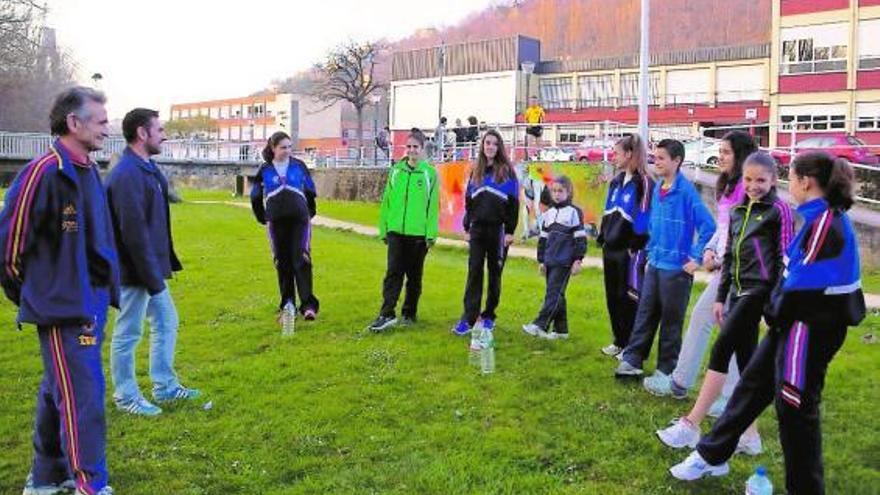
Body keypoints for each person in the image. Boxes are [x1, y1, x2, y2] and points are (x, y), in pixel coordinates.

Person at [671, 152, 866, 495]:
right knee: (752, 386)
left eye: (791, 177)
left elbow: (796, 282)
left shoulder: (825, 224)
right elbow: (795, 276)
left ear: (805, 181)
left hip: (808, 329)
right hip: (792, 323)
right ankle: (711, 456)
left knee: (794, 406)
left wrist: (773, 311)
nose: (791, 185)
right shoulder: (818, 218)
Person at [0, 86, 118, 495]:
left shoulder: (89, 170)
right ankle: (90, 485)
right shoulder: (43, 172)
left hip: (91, 303)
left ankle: (48, 476)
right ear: (74, 122)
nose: (108, 128)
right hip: (62, 309)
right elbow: (9, 248)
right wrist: (38, 295)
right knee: (84, 395)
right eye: (101, 121)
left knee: (60, 386)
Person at [656, 151, 793, 456]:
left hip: (759, 292)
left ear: (773, 180)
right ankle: (750, 435)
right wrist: (720, 298)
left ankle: (690, 425)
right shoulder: (737, 212)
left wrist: (775, 301)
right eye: (748, 179)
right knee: (746, 363)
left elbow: (786, 257)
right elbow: (729, 258)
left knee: (721, 349)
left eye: (761, 180)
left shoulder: (779, 210)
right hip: (736, 292)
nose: (754, 185)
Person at [645, 131, 755, 408]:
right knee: (705, 319)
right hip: (725, 268)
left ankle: (729, 396)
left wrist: (717, 258)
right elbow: (722, 228)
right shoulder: (729, 186)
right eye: (720, 150)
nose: (720, 156)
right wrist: (708, 250)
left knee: (729, 329)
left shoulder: (748, 188)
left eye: (726, 152)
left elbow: (744, 233)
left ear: (740, 156)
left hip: (742, 271)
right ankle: (681, 382)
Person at [106, 108, 199, 417]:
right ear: (142, 134)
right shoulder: (127, 175)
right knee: (128, 333)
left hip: (150, 269)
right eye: (159, 130)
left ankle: (165, 386)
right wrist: (151, 277)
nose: (164, 135)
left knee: (166, 321)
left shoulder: (144, 167)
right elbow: (133, 234)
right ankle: (126, 395)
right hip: (135, 272)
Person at [614, 139, 715, 380]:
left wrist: (696, 257)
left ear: (676, 161)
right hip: (655, 265)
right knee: (645, 314)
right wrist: (649, 252)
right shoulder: (659, 188)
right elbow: (653, 224)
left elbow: (708, 226)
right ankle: (632, 360)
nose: (655, 162)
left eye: (661, 158)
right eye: (654, 157)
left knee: (671, 321)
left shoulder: (686, 192)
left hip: (677, 271)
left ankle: (665, 370)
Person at [367, 130, 439, 331]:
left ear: (422, 149)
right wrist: (384, 228)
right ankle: (387, 313)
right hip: (396, 231)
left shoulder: (429, 174)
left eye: (415, 147)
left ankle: (409, 312)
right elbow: (386, 202)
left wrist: (431, 234)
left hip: (418, 234)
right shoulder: (396, 171)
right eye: (408, 147)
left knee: (414, 276)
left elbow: (433, 207)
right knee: (393, 273)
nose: (411, 151)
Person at [453, 129, 519, 336]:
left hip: (498, 231)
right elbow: (469, 202)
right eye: (487, 143)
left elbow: (514, 204)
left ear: (499, 147)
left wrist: (509, 231)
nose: (490, 147)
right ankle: (469, 317)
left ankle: (489, 315)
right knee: (474, 272)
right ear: (482, 146)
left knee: (494, 274)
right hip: (478, 231)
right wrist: (466, 227)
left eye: (494, 143)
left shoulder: (507, 172)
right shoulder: (476, 171)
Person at [250, 131, 320, 320]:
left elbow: (310, 190)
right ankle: (287, 303)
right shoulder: (265, 170)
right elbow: (255, 195)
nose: (287, 151)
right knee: (283, 262)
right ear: (273, 148)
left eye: (290, 147)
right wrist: (261, 216)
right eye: (283, 147)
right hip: (276, 222)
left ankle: (308, 306)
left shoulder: (299, 166)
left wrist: (310, 212)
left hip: (299, 220)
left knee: (302, 259)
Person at [596, 134, 654, 357]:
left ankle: (631, 345)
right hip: (610, 248)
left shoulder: (645, 182)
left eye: (616, 152)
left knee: (628, 297)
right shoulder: (616, 181)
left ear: (629, 154)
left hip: (629, 251)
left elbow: (644, 214)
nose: (613, 156)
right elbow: (608, 210)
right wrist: (603, 236)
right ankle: (619, 340)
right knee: (612, 295)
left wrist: (636, 243)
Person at [522, 175, 587, 340]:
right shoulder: (548, 214)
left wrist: (578, 260)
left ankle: (540, 325)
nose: (557, 194)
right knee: (558, 294)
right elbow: (543, 239)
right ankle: (561, 330)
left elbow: (580, 239)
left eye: (561, 191)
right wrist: (541, 261)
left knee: (553, 294)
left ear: (568, 192)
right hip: (550, 261)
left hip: (564, 262)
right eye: (554, 191)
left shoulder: (574, 212)